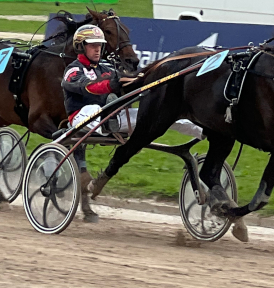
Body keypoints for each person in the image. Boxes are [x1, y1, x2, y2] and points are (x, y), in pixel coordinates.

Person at [62, 24, 204, 221]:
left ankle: (202, 130)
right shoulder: (73, 69)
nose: (97, 49)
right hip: (81, 116)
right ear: (80, 47)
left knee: (164, 117)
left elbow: (123, 83)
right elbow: (86, 88)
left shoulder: (108, 68)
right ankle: (107, 120)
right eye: (92, 45)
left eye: (99, 45)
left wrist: (138, 81)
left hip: (115, 117)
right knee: (97, 110)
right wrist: (112, 85)